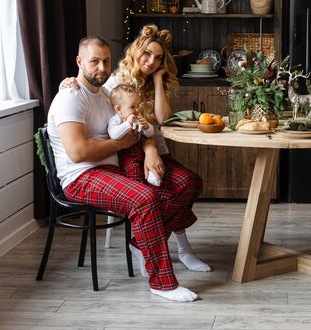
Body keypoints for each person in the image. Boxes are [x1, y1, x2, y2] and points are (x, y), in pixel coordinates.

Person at [48, 36, 204, 302]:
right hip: (81, 177)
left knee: (181, 184)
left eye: (106, 61)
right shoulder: (71, 96)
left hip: (112, 169)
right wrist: (118, 143)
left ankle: (143, 245)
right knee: (145, 198)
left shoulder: (107, 94)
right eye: (94, 61)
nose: (101, 67)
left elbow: (137, 123)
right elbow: (78, 153)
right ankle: (162, 283)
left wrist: (148, 146)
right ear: (79, 62)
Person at [108, 83, 160, 186]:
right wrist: (128, 124)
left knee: (148, 167)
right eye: (132, 106)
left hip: (141, 151)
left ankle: (152, 179)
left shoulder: (136, 116)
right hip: (127, 156)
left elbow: (149, 134)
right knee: (135, 174)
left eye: (138, 105)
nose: (137, 109)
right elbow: (113, 135)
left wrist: (146, 126)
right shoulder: (115, 120)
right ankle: (141, 190)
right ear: (118, 109)